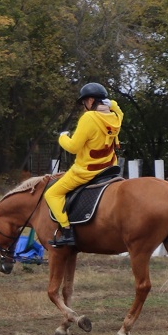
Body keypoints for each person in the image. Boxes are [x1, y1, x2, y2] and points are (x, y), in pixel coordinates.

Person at [44, 82, 123, 248]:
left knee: (51, 194)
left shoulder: (89, 118)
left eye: (84, 102)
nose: (83, 106)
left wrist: (62, 137)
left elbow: (73, 147)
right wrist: (111, 103)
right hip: (109, 168)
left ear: (91, 100)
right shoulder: (115, 117)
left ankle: (67, 232)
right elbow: (119, 110)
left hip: (87, 171)